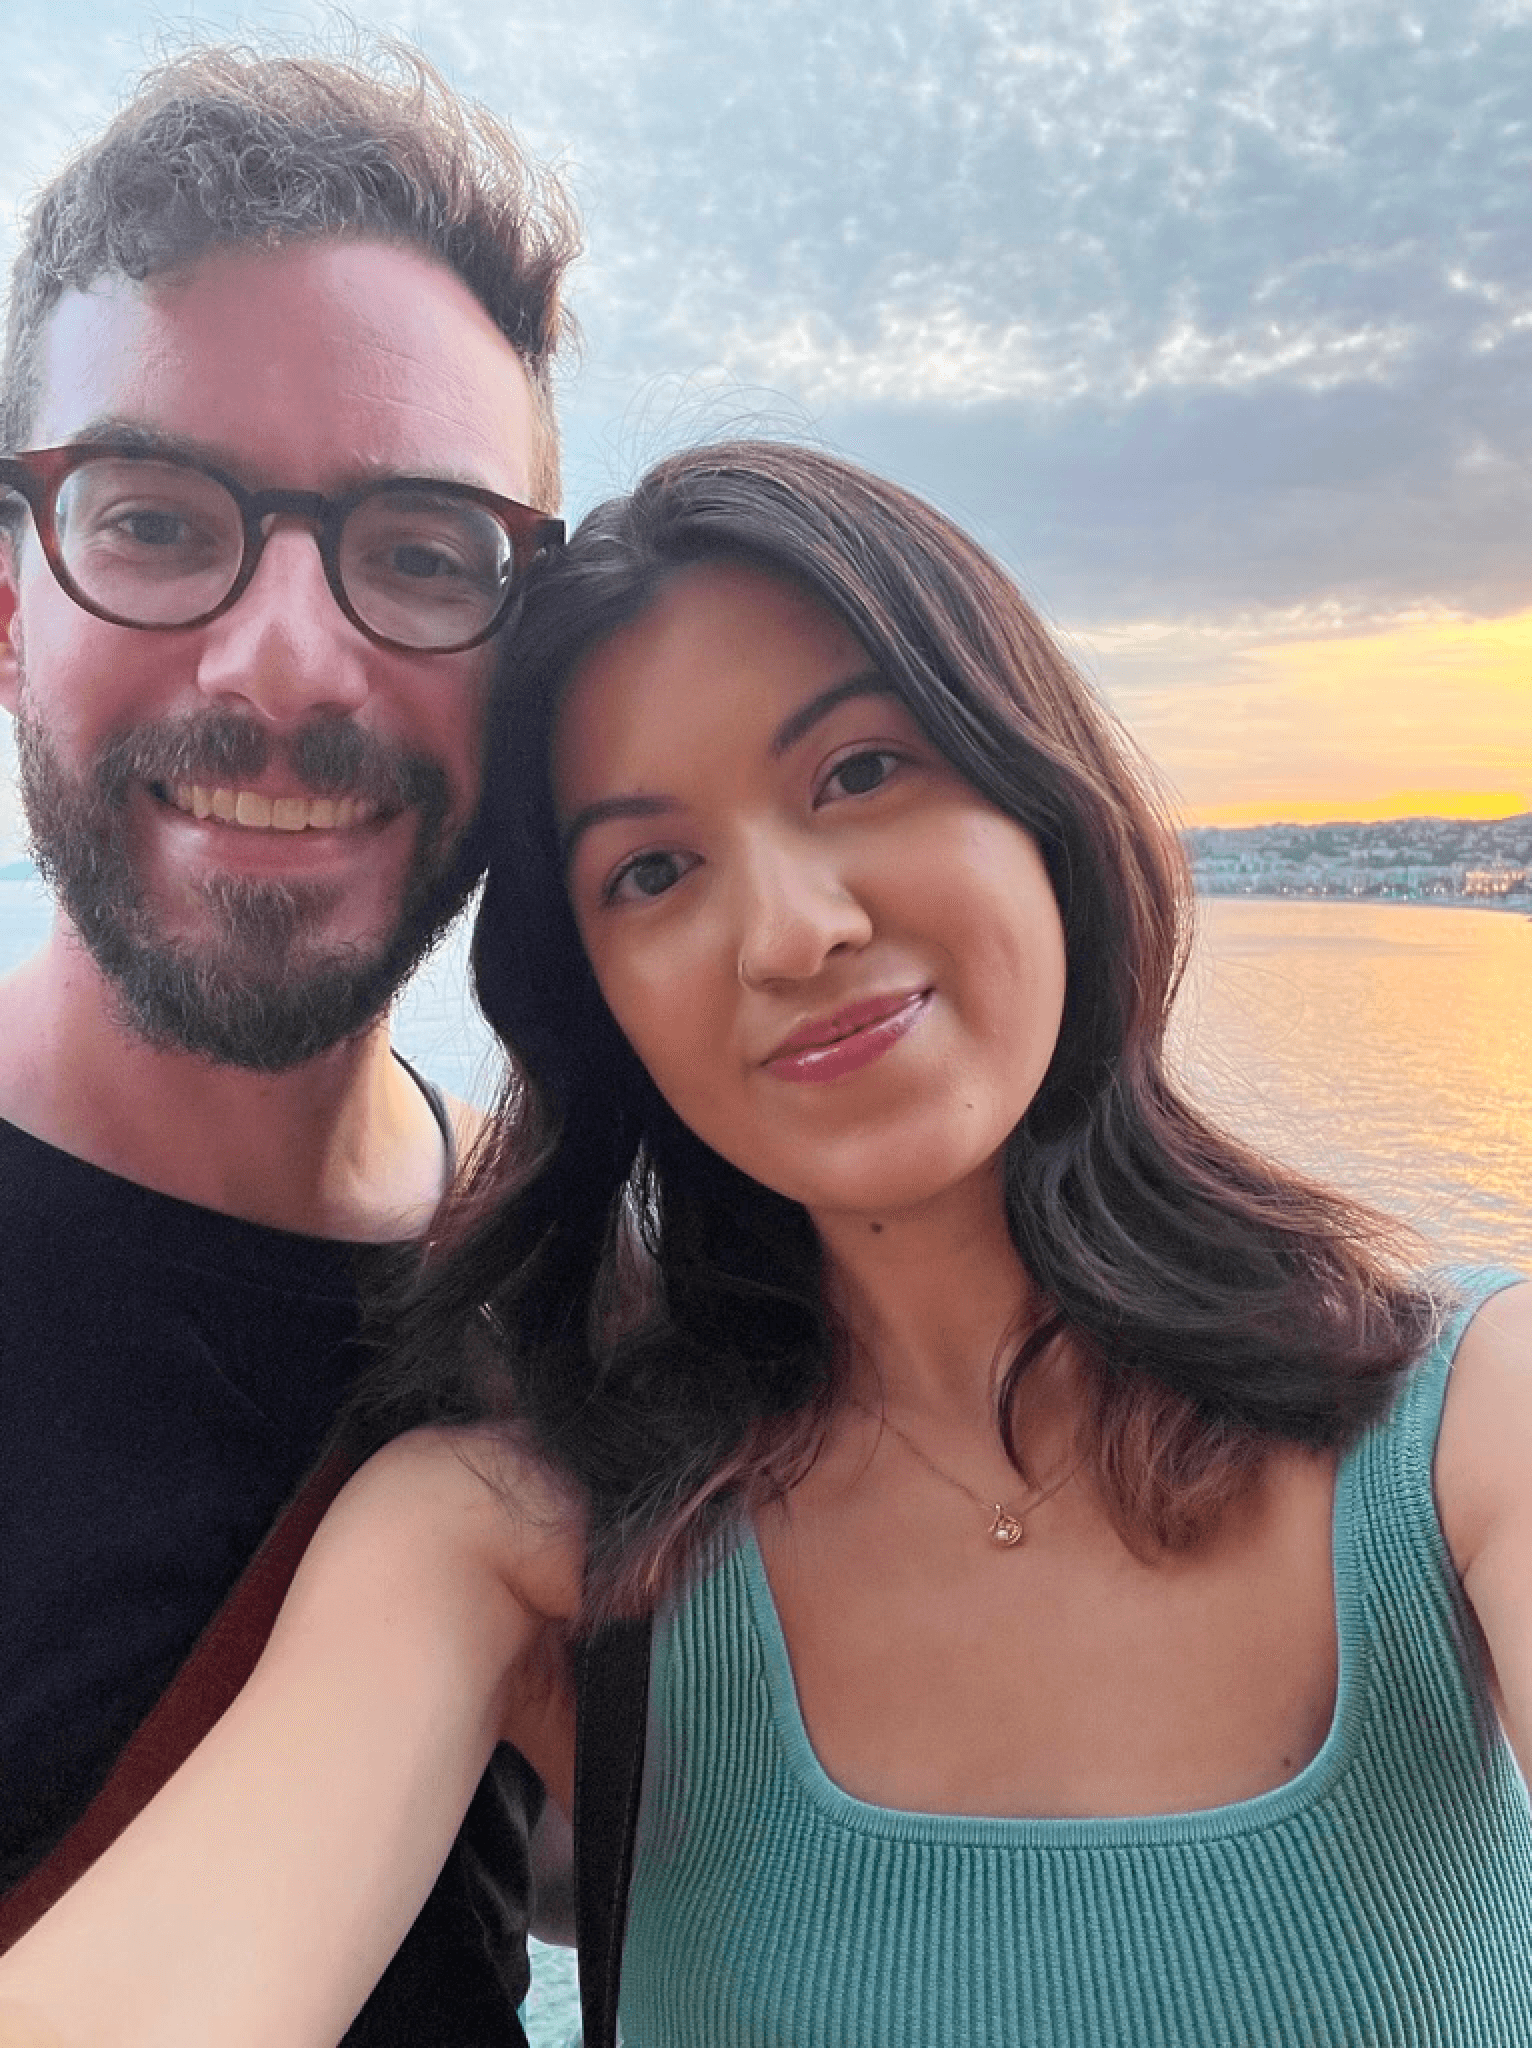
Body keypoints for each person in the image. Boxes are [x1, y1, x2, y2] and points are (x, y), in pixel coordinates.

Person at [2, 441, 1532, 2048]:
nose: (797, 931)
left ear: (1037, 790)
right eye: (654, 872)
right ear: (600, 1001)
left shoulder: (1468, 1429)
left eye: (861, 772)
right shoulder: (516, 1544)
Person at [0, 37, 579, 2044]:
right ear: (12, 606)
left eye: (423, 550)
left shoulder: (574, 1289)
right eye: (156, 521)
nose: (285, 664)